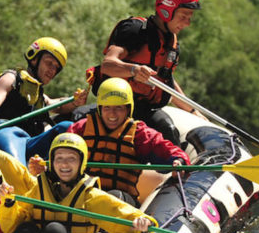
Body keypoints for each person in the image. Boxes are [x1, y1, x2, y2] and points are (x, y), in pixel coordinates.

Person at [89, 0, 203, 144]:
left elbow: (167, 84)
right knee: (78, 117)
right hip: (114, 107)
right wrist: (134, 70)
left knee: (170, 133)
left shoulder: (172, 44)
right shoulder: (136, 30)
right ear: (166, 11)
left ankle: (177, 168)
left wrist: (194, 111)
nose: (187, 23)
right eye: (183, 16)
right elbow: (108, 64)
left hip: (145, 111)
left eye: (190, 18)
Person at [0, 133, 156, 233]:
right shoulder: (38, 190)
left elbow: (119, 214)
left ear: (81, 163)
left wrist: (143, 225)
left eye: (71, 159)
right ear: (52, 162)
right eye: (59, 158)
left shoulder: (90, 196)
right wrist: (8, 205)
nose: (64, 164)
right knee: (24, 231)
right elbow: (13, 226)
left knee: (55, 231)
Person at [65, 77, 190, 207]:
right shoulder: (80, 129)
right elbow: (59, 156)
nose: (112, 114)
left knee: (112, 197)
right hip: (84, 196)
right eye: (107, 107)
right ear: (100, 109)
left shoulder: (139, 134)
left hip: (122, 201)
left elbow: (169, 151)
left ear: (128, 109)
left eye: (119, 108)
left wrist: (179, 161)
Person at [0, 37, 88, 164]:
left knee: (67, 128)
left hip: (30, 142)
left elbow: (56, 106)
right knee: (19, 170)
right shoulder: (11, 79)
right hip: (4, 133)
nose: (52, 70)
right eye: (49, 63)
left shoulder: (38, 95)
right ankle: (22, 175)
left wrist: (75, 102)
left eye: (56, 68)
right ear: (34, 59)